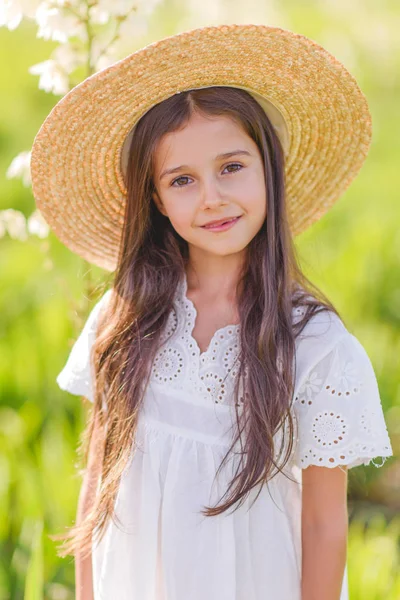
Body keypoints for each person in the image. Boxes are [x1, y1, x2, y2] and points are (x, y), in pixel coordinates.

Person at [30, 24, 393, 600]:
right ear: (155, 199)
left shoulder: (316, 346)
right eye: (182, 180)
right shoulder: (125, 316)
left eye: (231, 167)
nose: (212, 199)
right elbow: (99, 482)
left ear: (267, 167)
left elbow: (325, 526)